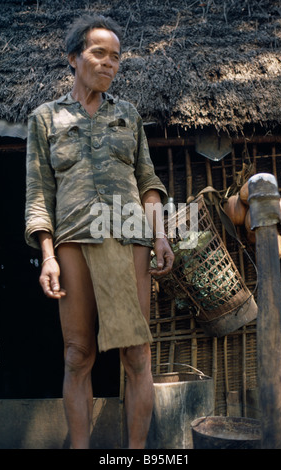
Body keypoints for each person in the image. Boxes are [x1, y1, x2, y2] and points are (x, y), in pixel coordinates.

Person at [25, 14, 174, 449]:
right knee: (78, 355)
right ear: (73, 58)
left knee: (137, 352)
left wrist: (160, 235)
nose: (109, 64)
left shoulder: (128, 116)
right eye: (98, 54)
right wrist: (48, 254)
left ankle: (137, 453)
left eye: (116, 57)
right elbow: (39, 191)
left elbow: (149, 183)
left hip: (129, 235)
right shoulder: (44, 118)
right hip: (72, 238)